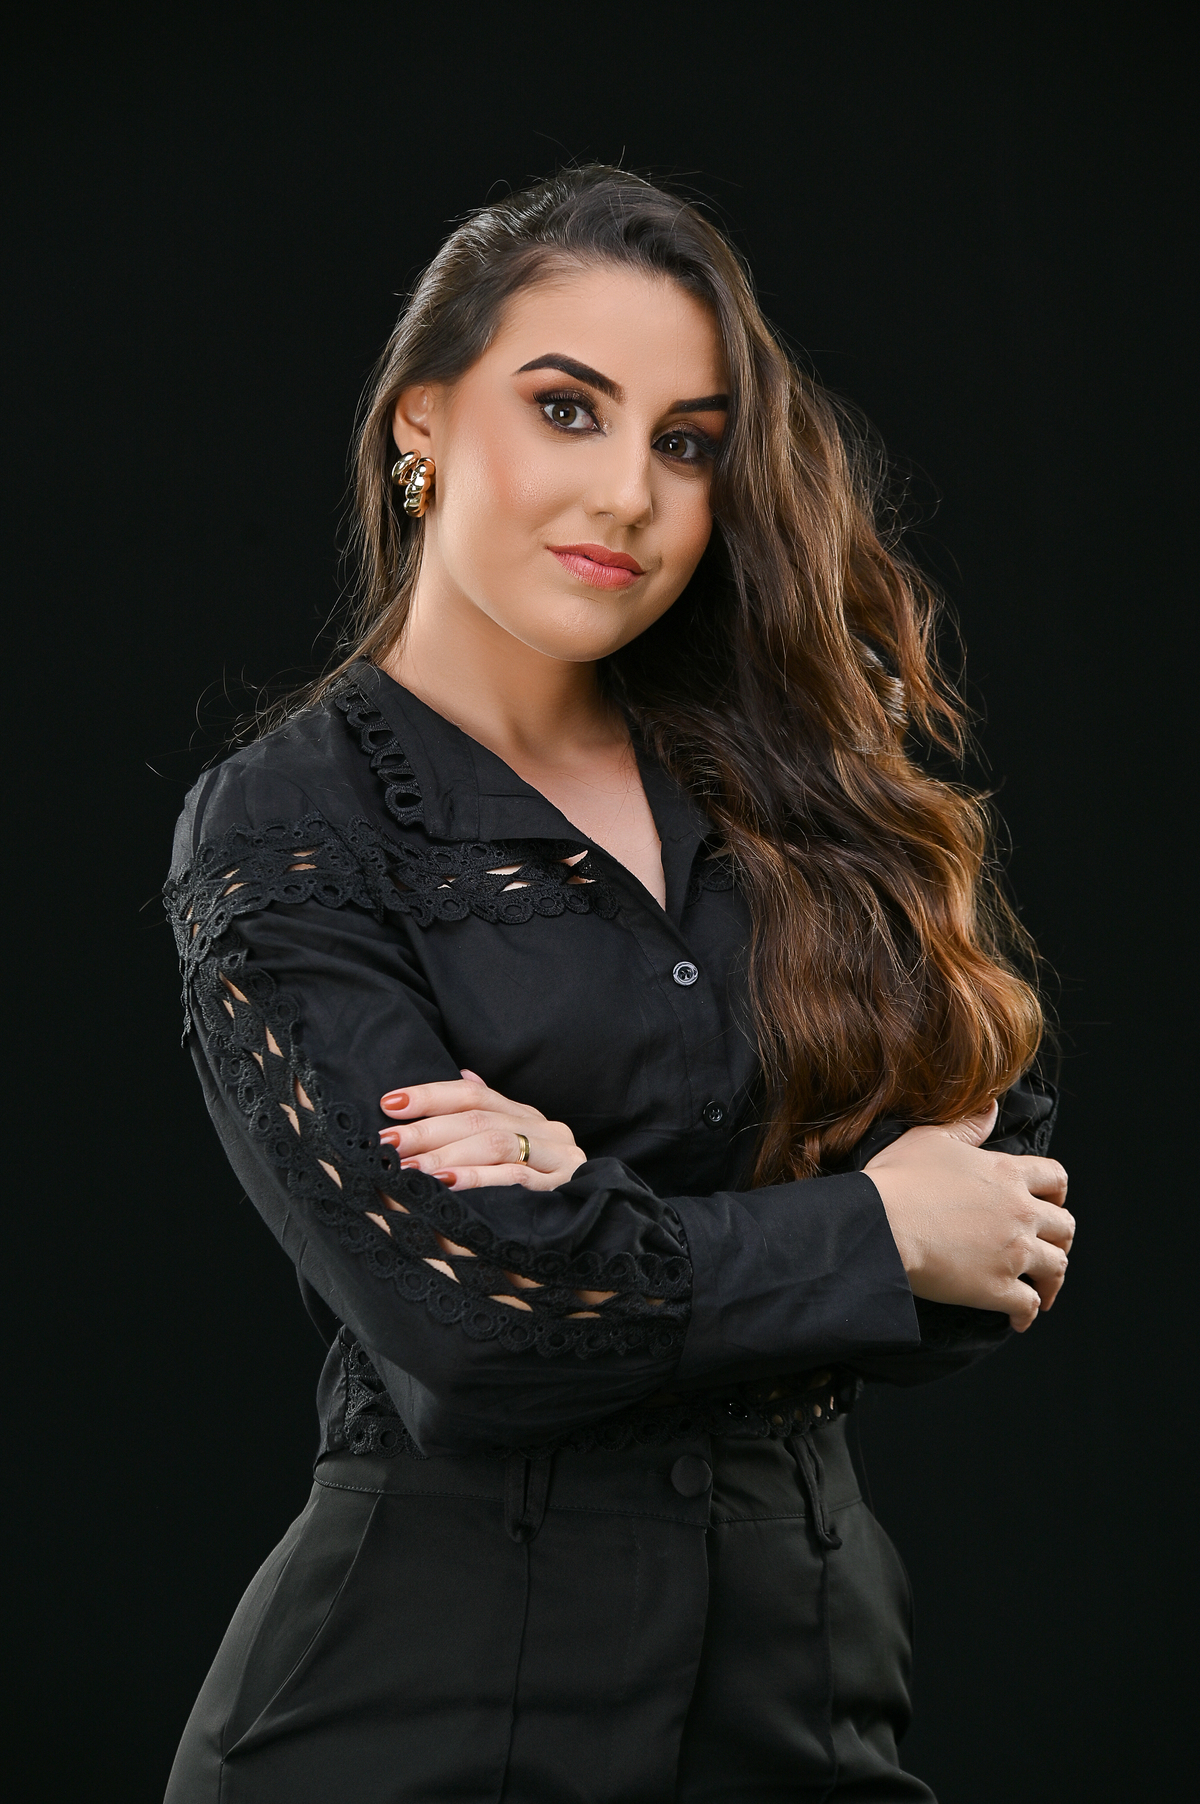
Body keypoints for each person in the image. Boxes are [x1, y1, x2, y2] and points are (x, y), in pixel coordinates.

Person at [162, 167, 1072, 1803]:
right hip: (417, 1716)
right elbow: (469, 1328)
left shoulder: (793, 779)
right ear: (424, 423)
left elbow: (1000, 1243)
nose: (631, 494)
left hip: (810, 1703)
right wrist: (865, 1231)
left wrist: (586, 1201)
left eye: (687, 442)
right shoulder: (290, 822)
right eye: (567, 409)